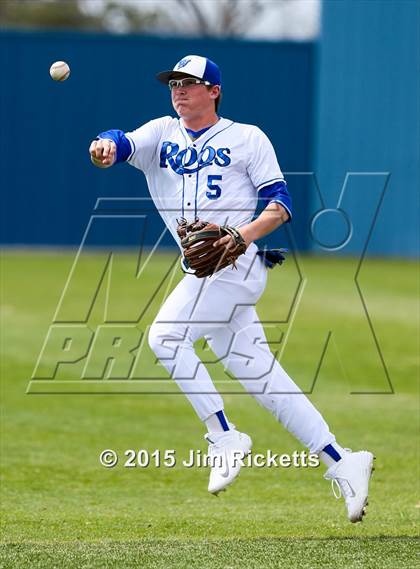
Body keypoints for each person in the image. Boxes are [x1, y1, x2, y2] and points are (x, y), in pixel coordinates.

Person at [89, 55, 374, 522]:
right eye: (174, 83)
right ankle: (343, 461)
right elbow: (121, 143)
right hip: (203, 271)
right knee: (260, 375)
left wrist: (241, 235)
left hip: (236, 265)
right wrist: (102, 145)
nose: (179, 90)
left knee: (163, 337)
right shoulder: (161, 133)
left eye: (190, 84)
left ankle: (224, 436)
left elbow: (280, 205)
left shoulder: (247, 138)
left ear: (214, 90)